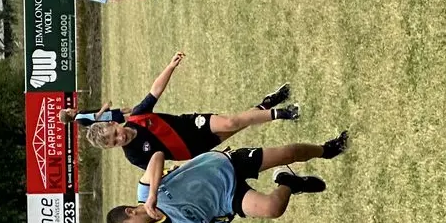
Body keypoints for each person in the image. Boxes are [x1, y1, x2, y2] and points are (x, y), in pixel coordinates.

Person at [105, 131, 350, 223]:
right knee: (272, 208)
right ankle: (289, 182)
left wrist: (152, 195)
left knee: (287, 153)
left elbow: (157, 156)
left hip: (222, 165)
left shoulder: (144, 189)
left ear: (130, 212)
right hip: (227, 198)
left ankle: (325, 149)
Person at [81, 54, 297, 174]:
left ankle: (285, 113)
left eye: (115, 133)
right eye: (114, 142)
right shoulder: (134, 156)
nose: (120, 138)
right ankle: (266, 104)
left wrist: (170, 66)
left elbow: (155, 90)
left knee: (231, 121)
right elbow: (159, 172)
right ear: (111, 148)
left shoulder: (138, 116)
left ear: (113, 124)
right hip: (194, 149)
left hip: (194, 125)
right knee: (240, 125)